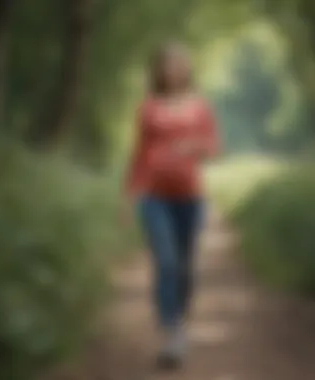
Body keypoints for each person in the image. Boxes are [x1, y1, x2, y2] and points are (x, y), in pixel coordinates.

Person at [124, 42, 220, 369]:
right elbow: (138, 156)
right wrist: (129, 197)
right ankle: (173, 333)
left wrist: (194, 145)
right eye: (167, 64)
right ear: (159, 70)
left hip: (190, 197)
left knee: (185, 267)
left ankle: (179, 314)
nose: (174, 70)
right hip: (154, 197)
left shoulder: (200, 107)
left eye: (180, 64)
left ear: (188, 70)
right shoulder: (148, 108)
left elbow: (214, 148)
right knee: (165, 262)